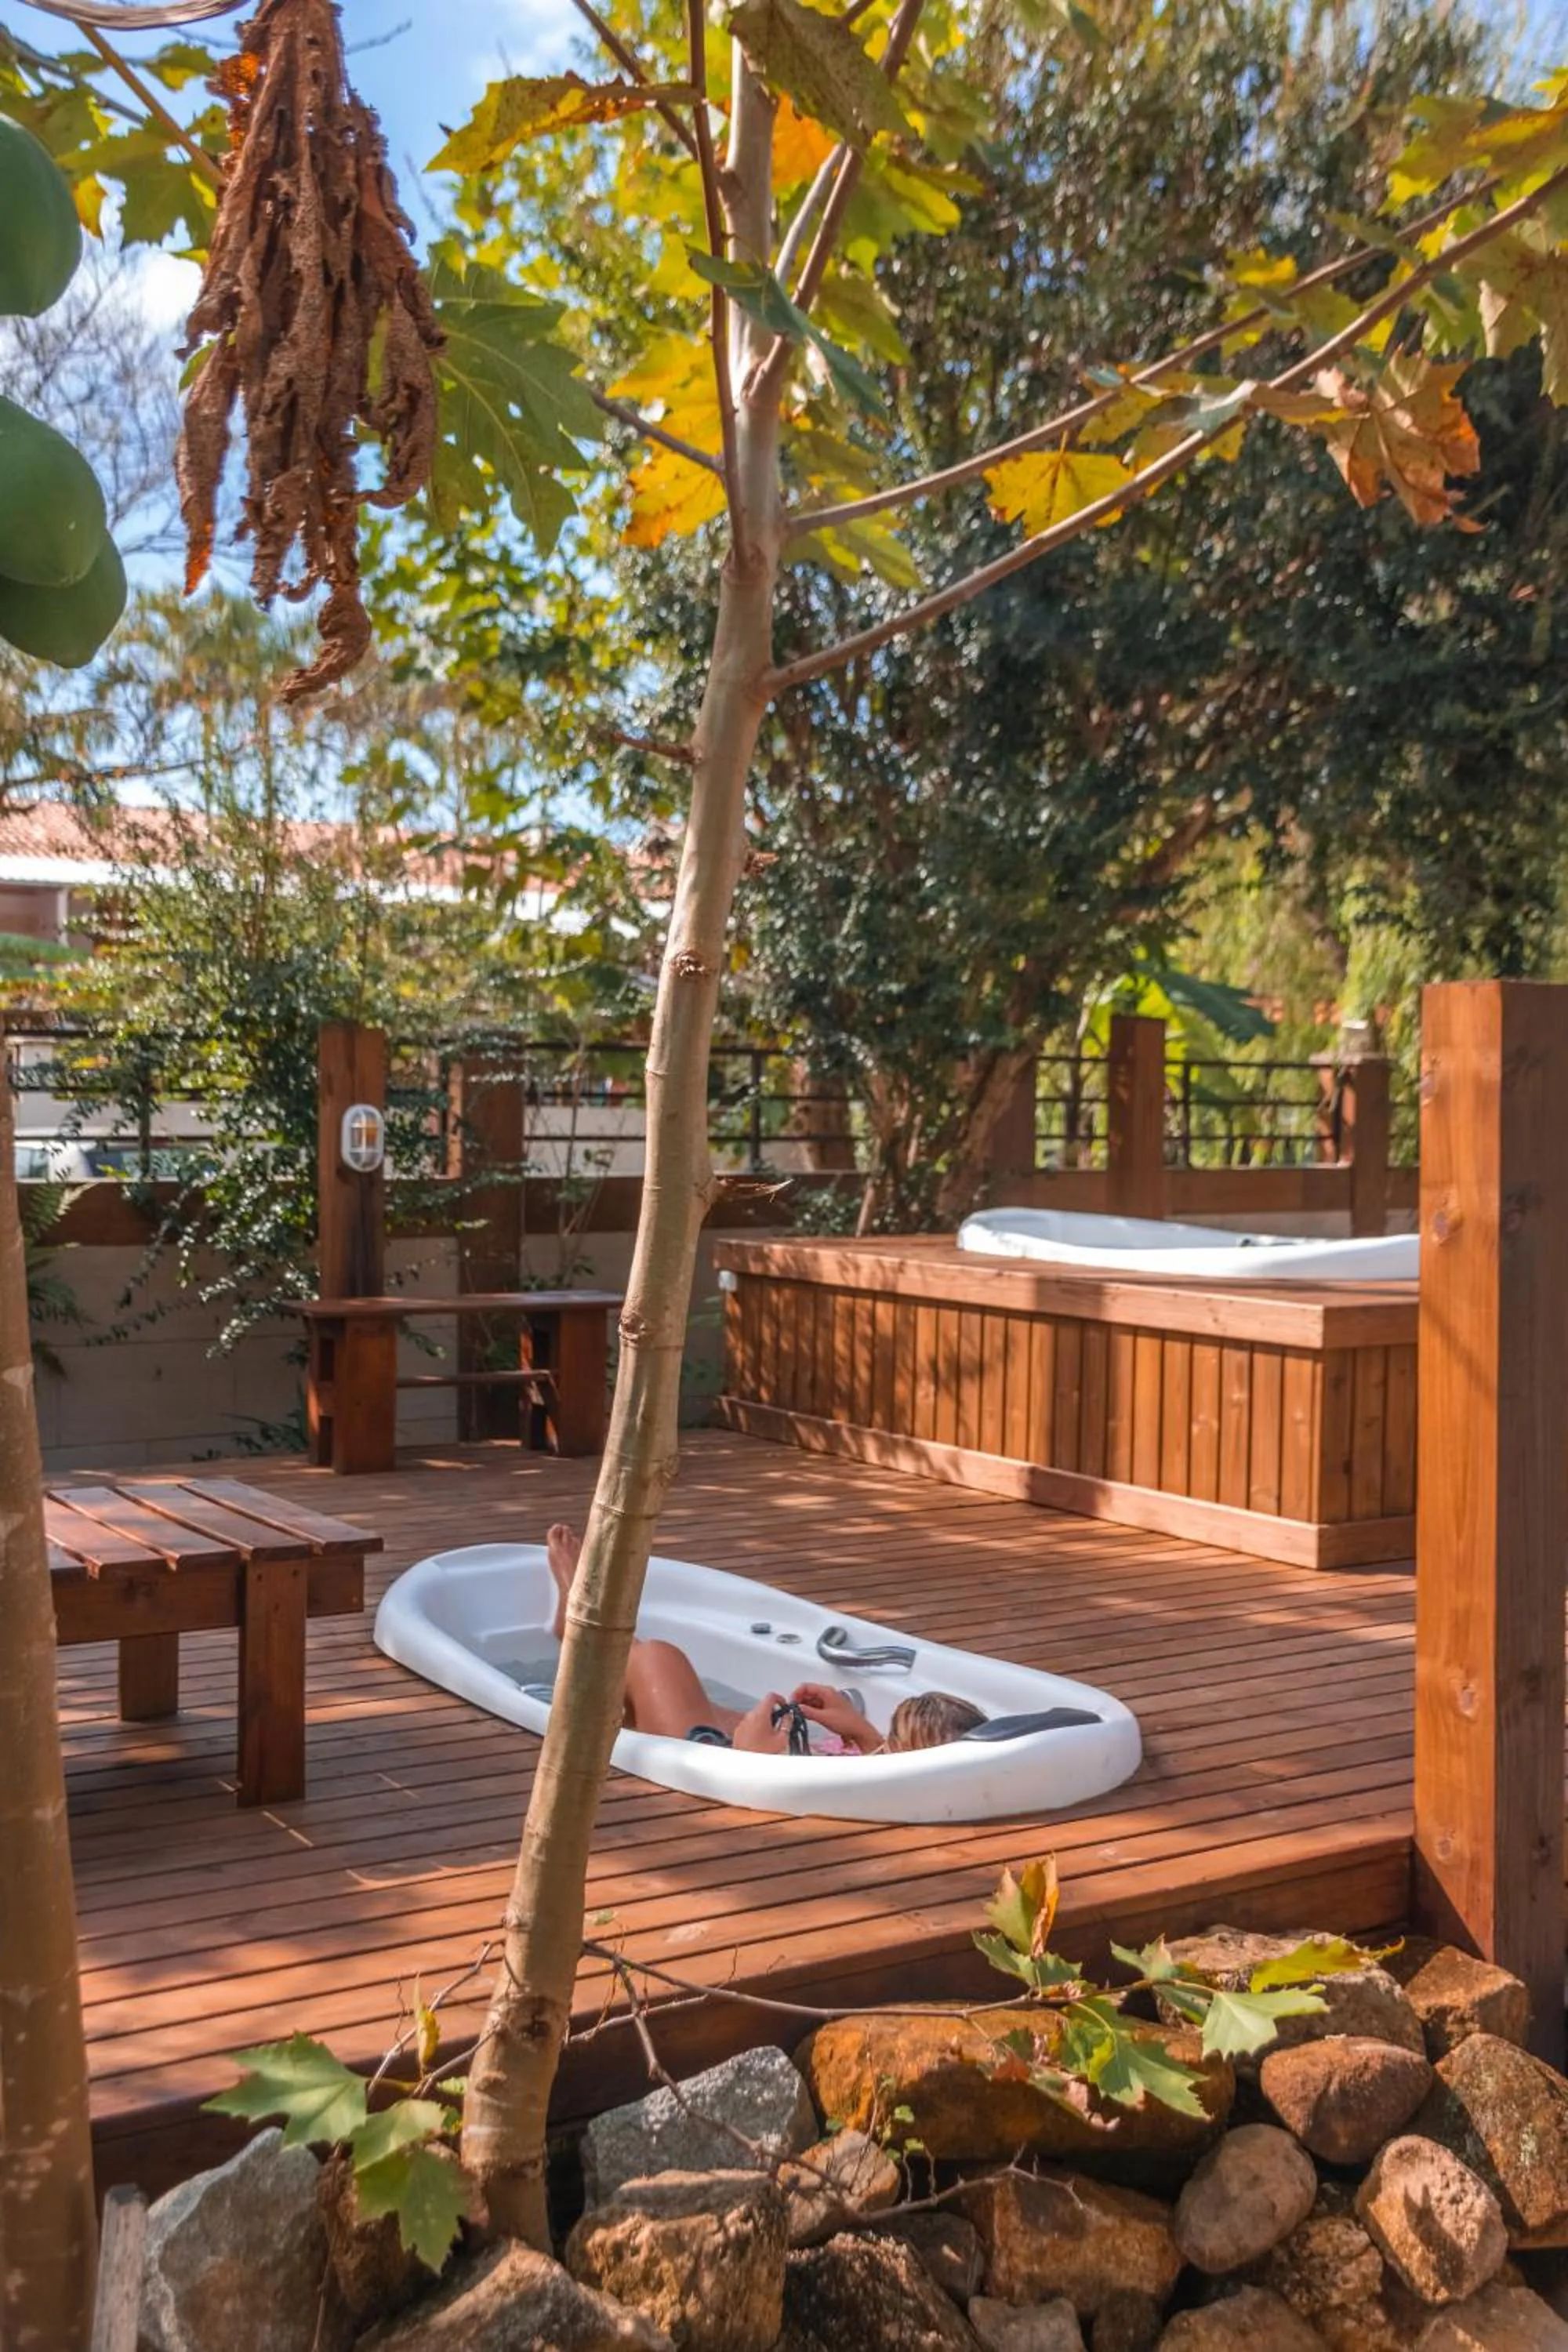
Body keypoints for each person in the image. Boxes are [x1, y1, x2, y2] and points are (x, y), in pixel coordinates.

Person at [544, 1523, 985, 1756]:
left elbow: (756, 1782)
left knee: (656, 1662)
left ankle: (579, 1623)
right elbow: (894, 1771)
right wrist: (863, 1734)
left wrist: (751, 1752)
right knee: (706, 1702)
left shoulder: (885, 1791)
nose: (883, 1747)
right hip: (779, 1753)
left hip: (723, 1759)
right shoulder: (907, 1780)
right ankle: (587, 1635)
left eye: (893, 1742)